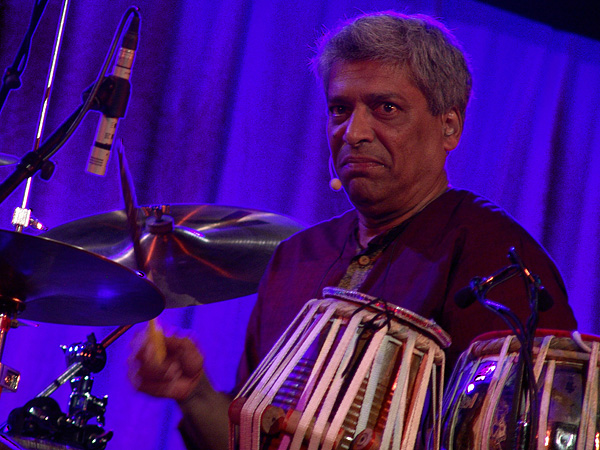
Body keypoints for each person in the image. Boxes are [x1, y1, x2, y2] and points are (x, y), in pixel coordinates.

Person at [129, 11, 577, 450]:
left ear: (449, 127)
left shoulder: (497, 257)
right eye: (340, 109)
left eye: (386, 108)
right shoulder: (298, 257)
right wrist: (194, 393)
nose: (354, 131)